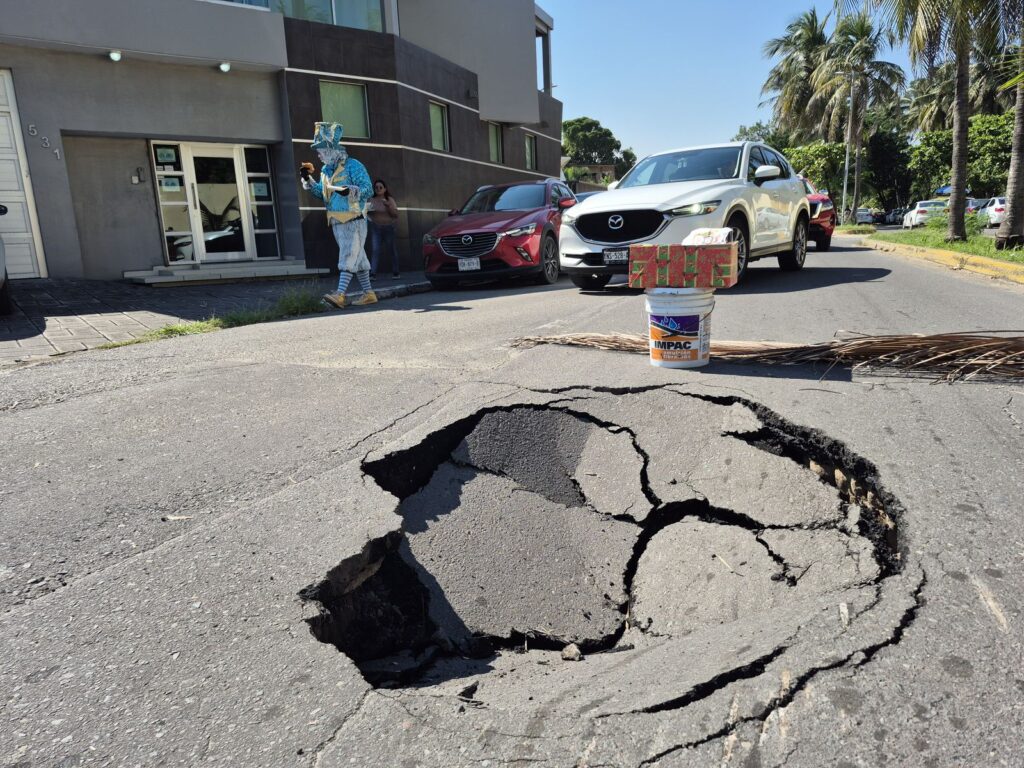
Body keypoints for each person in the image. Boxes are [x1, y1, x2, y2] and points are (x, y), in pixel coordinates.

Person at [300, 122, 376, 308]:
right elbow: (322, 194)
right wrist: (308, 180)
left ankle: (340, 294)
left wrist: (351, 190)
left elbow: (368, 189)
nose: (318, 155)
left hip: (353, 218)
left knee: (348, 255)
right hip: (336, 220)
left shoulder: (353, 165)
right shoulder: (325, 171)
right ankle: (369, 294)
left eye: (321, 151)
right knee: (359, 258)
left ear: (331, 150)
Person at [367, 179, 400, 278]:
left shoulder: (389, 199)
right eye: (376, 187)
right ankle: (373, 273)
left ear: (385, 189)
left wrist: (388, 206)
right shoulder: (371, 200)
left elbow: (395, 214)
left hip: (388, 228)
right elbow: (366, 213)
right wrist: (367, 211)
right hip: (376, 228)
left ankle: (396, 272)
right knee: (375, 250)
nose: (378, 189)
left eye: (380, 187)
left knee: (391, 250)